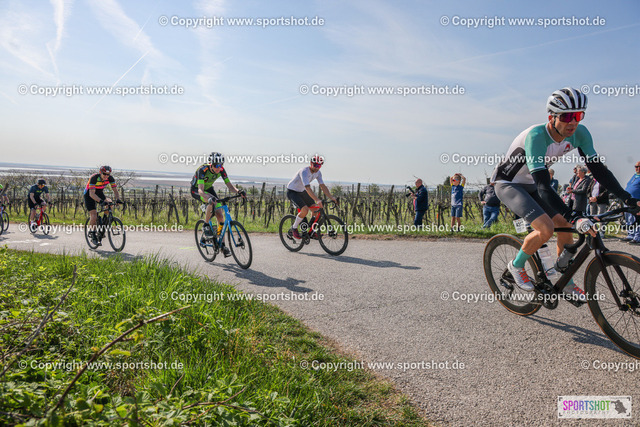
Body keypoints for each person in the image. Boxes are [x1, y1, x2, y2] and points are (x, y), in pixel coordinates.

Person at [491, 87, 640, 302]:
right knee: (546, 228)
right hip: (509, 184)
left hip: (532, 184)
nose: (573, 122)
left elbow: (599, 171)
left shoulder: (580, 134)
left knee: (566, 226)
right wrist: (574, 215)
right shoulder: (536, 136)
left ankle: (565, 282)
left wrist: (627, 198)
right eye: (567, 117)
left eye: (578, 115)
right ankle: (516, 265)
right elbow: (544, 185)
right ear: (551, 117)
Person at [190, 153, 246, 256]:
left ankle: (222, 245)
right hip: (197, 190)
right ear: (211, 164)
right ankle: (206, 225)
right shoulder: (202, 170)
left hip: (209, 189)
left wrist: (239, 191)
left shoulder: (221, 170)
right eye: (216, 165)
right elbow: (201, 190)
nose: (219, 168)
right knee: (211, 201)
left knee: (220, 215)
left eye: (221, 165)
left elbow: (230, 186)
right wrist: (208, 198)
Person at [286, 155, 337, 239]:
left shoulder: (318, 173)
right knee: (305, 210)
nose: (317, 168)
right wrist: (317, 200)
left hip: (302, 191)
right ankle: (294, 228)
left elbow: (322, 186)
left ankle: (311, 231)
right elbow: (307, 188)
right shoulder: (304, 171)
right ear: (311, 163)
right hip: (292, 191)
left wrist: (332, 197)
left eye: (319, 166)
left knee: (315, 209)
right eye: (315, 165)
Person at [84, 166, 122, 246]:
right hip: (89, 194)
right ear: (100, 173)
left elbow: (115, 190)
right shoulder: (94, 178)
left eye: (108, 174)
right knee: (94, 215)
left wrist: (118, 199)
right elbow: (91, 194)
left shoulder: (110, 178)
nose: (106, 176)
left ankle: (104, 221)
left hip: (99, 193)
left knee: (109, 203)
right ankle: (93, 233)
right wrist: (101, 201)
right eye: (104, 174)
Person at [623, 161, 640, 244]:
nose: (637, 168)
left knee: (636, 219)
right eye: (636, 166)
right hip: (628, 201)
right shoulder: (634, 176)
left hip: (637, 202)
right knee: (629, 219)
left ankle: (637, 237)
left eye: (638, 166)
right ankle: (630, 234)